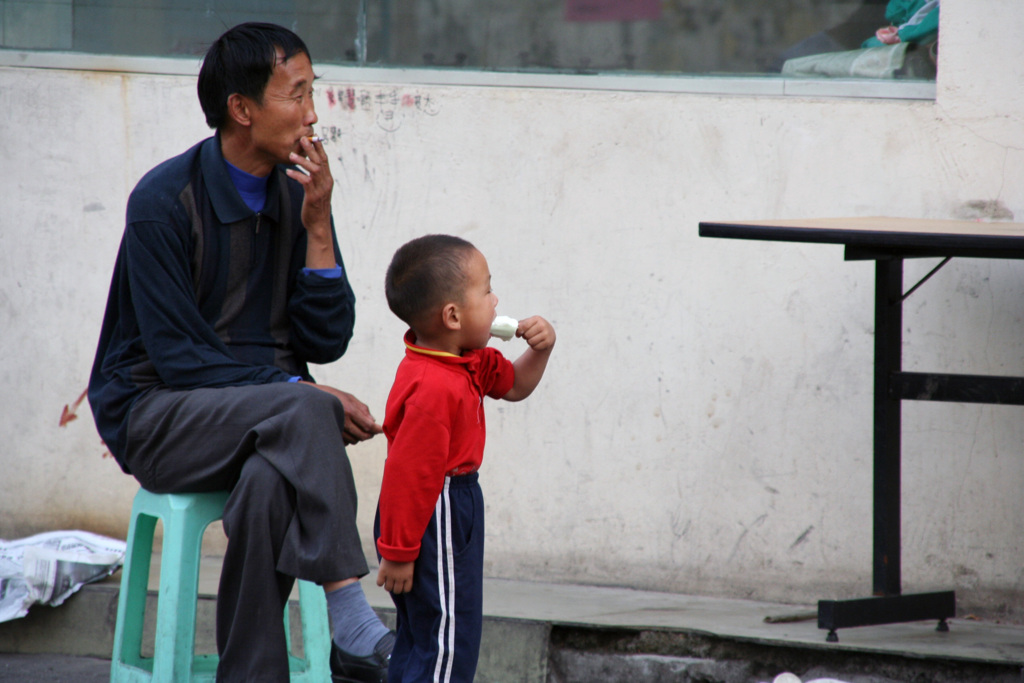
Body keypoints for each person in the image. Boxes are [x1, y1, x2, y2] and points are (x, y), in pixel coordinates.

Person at [87, 22, 394, 683]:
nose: (312, 114)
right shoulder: (163, 201)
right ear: (242, 108)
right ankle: (349, 608)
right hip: (158, 413)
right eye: (297, 93)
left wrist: (318, 226)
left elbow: (325, 340)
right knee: (306, 408)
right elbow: (178, 359)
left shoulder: (295, 193)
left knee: (266, 486)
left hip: (264, 421)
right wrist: (299, 393)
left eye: (314, 92)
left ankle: (250, 675)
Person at [374, 235, 556, 682]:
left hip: (451, 505)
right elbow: (408, 473)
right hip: (433, 510)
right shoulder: (434, 385)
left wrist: (541, 349)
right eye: (487, 290)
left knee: (423, 638)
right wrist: (398, 551)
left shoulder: (467, 360)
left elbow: (513, 384)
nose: (497, 301)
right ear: (453, 316)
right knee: (445, 642)